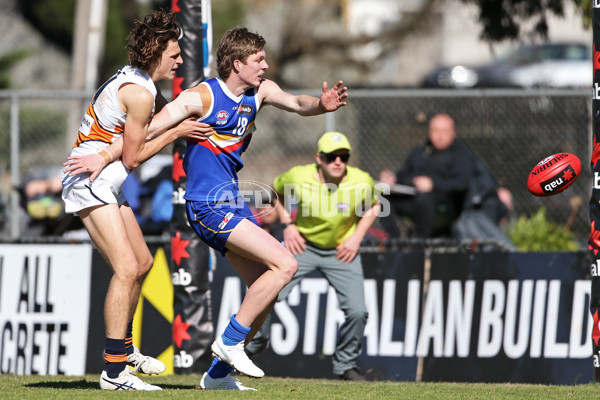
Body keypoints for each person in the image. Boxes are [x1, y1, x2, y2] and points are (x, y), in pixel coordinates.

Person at [70, 26, 348, 391]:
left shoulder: (260, 92)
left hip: (231, 202)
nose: (265, 66)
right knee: (286, 264)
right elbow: (146, 130)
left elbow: (298, 103)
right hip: (207, 205)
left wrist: (320, 106)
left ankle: (217, 375)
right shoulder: (200, 97)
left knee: (264, 286)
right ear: (237, 63)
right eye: (258, 60)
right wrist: (104, 154)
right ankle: (228, 343)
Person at [61, 10, 212, 391]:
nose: (179, 61)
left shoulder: (142, 83)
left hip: (105, 179)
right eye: (174, 55)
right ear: (154, 52)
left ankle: (125, 350)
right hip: (90, 178)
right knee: (126, 267)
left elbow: (156, 124)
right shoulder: (141, 93)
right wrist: (178, 131)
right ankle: (113, 372)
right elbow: (133, 156)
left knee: (143, 262)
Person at [245, 131, 381, 381]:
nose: (338, 162)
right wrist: (288, 225)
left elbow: (375, 206)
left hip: (341, 251)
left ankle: (346, 366)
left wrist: (356, 237)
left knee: (358, 311)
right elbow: (277, 192)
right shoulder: (298, 175)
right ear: (319, 158)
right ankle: (250, 348)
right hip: (302, 247)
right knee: (266, 294)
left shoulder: (362, 180)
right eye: (331, 157)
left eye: (344, 156)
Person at [378, 113, 474, 238]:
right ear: (429, 132)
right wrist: (392, 178)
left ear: (453, 133)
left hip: (443, 205)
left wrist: (433, 184)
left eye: (445, 131)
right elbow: (403, 173)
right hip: (412, 198)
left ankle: (421, 241)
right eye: (436, 131)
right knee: (382, 197)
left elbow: (462, 183)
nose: (440, 136)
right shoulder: (419, 152)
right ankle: (394, 239)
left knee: (425, 198)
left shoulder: (461, 155)